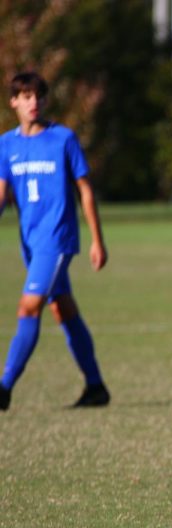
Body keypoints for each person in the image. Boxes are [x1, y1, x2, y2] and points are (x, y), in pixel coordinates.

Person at [0, 72, 110, 412]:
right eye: (27, 96)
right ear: (14, 101)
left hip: (57, 239)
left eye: (39, 96)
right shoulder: (6, 144)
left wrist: (97, 240)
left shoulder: (63, 138)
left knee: (28, 307)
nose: (34, 102)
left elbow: (85, 191)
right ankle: (96, 387)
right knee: (62, 309)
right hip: (30, 242)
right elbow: (1, 196)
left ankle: (3, 388)